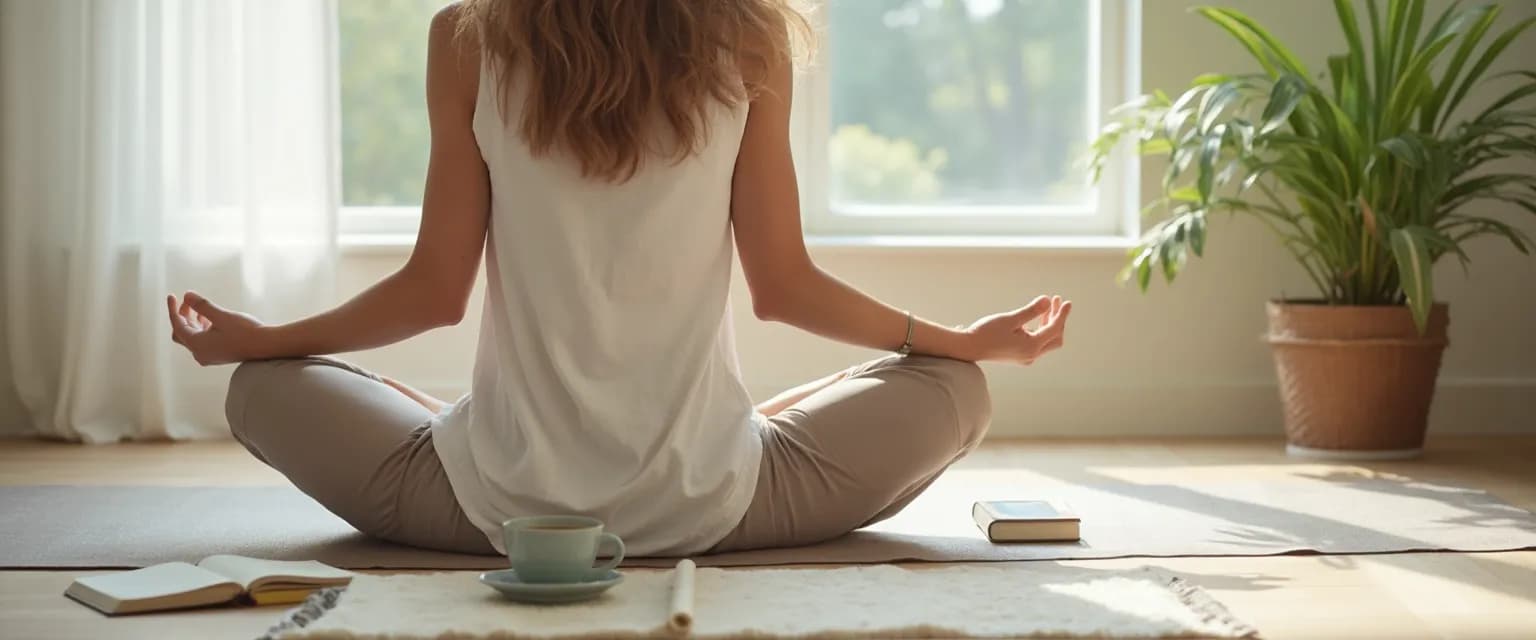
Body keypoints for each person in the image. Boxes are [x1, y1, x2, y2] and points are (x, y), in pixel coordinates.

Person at [165, 0, 1071, 558]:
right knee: (956, 390)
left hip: (493, 508)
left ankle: (451, 432)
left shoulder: (465, 37)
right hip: (718, 502)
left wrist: (266, 341)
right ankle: (763, 429)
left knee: (262, 391)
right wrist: (958, 341)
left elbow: (434, 292)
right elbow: (784, 287)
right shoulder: (752, 40)